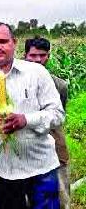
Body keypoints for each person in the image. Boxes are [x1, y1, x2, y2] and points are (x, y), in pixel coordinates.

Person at [0, 22, 65, 209]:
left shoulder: (37, 73)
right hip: (1, 171)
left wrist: (25, 120)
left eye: (3, 41)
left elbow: (57, 114)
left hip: (41, 167)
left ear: (14, 43)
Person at [25, 36, 70, 209]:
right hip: (27, 153)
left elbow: (58, 117)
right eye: (33, 56)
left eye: (42, 55)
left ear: (48, 56)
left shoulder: (60, 85)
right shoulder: (15, 83)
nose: (38, 60)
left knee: (60, 199)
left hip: (55, 151)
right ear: (25, 56)